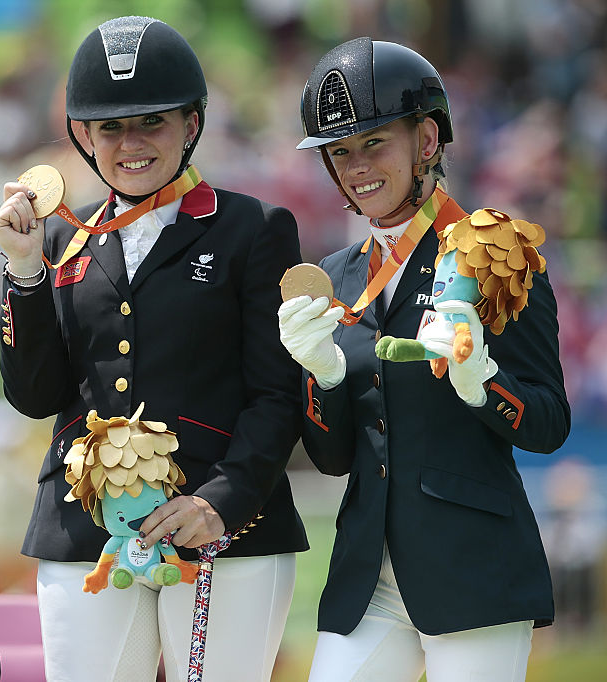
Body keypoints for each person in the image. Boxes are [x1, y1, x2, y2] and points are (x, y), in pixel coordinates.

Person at [0, 16, 307, 682]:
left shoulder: (252, 228)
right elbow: (36, 396)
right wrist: (24, 272)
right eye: (110, 128)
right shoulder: (61, 241)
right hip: (83, 528)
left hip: (216, 525)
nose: (130, 144)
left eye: (152, 122)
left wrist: (220, 503)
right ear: (85, 137)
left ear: (192, 124)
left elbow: (277, 394)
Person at [282, 38, 571, 681]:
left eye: (374, 142)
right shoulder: (336, 276)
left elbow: (549, 422)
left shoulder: (495, 254)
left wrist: (483, 383)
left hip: (473, 570)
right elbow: (333, 459)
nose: (357, 166)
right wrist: (322, 378)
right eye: (340, 151)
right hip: (367, 577)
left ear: (428, 140)